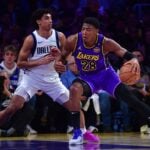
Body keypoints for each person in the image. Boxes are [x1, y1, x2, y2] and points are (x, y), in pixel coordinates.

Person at [55, 17, 150, 143]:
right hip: (88, 78)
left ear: (97, 31)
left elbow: (124, 52)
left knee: (131, 99)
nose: (84, 32)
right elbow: (62, 56)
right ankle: (77, 132)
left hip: (107, 77)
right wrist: (59, 63)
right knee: (74, 89)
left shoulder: (106, 42)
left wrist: (134, 60)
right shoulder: (73, 40)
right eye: (83, 29)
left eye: (88, 30)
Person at [0, 8, 85, 145]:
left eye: (51, 18)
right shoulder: (31, 39)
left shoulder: (60, 36)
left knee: (76, 105)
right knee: (12, 107)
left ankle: (81, 134)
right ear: (38, 21)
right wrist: (39, 61)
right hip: (32, 79)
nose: (50, 21)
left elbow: (66, 57)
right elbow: (21, 63)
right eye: (46, 18)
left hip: (52, 79)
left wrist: (62, 65)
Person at [0, 70, 34, 137]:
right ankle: (18, 131)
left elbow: (21, 105)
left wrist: (7, 92)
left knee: (29, 109)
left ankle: (10, 131)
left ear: (9, 80)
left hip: (13, 119)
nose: (4, 81)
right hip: (2, 120)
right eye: (1, 79)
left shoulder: (15, 91)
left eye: (5, 78)